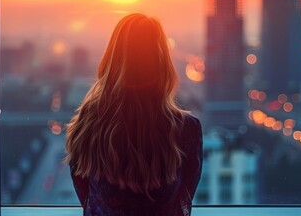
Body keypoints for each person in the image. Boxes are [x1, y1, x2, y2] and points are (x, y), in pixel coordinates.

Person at [64, 13, 203, 216]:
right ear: (162, 64)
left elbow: (87, 200)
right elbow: (183, 204)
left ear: (111, 62)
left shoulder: (88, 124)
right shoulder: (187, 130)